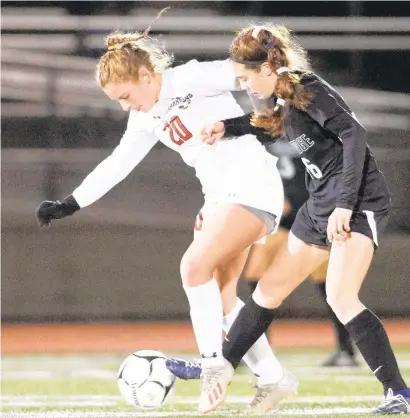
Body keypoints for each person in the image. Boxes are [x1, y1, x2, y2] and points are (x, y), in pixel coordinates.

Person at [34, 11, 296, 415]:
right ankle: (272, 377)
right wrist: (71, 202)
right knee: (225, 299)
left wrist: (265, 84)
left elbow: (250, 74)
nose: (125, 107)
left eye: (124, 96)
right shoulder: (145, 117)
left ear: (144, 77)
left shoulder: (188, 78)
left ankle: (214, 365)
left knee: (193, 266)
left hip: (253, 184)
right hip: (219, 196)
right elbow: (117, 164)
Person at [195, 24, 410, 414]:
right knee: (267, 292)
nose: (244, 85)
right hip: (319, 205)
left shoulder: (307, 88)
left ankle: (398, 393)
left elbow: (355, 136)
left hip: (358, 201)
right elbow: (266, 125)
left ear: (266, 68)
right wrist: (226, 127)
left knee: (341, 297)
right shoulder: (280, 98)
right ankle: (219, 367)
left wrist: (345, 204)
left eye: (245, 77)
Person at [243, 144, 359, 368]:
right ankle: (258, 349)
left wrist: (297, 203)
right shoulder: (264, 142)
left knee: (330, 288)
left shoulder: (309, 140)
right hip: (281, 225)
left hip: (312, 222)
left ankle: (346, 350)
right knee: (255, 277)